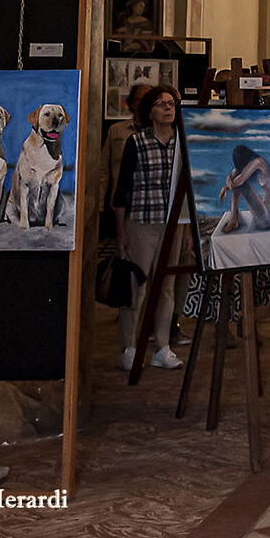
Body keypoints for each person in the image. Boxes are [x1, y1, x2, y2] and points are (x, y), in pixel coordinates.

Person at [111, 83, 184, 370]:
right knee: (136, 286)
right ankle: (129, 345)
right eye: (161, 103)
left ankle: (162, 346)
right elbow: (123, 189)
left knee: (166, 287)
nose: (168, 108)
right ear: (149, 111)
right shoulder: (137, 142)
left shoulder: (182, 143)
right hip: (141, 221)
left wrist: (187, 229)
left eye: (171, 103)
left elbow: (186, 188)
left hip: (173, 224)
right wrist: (120, 232)